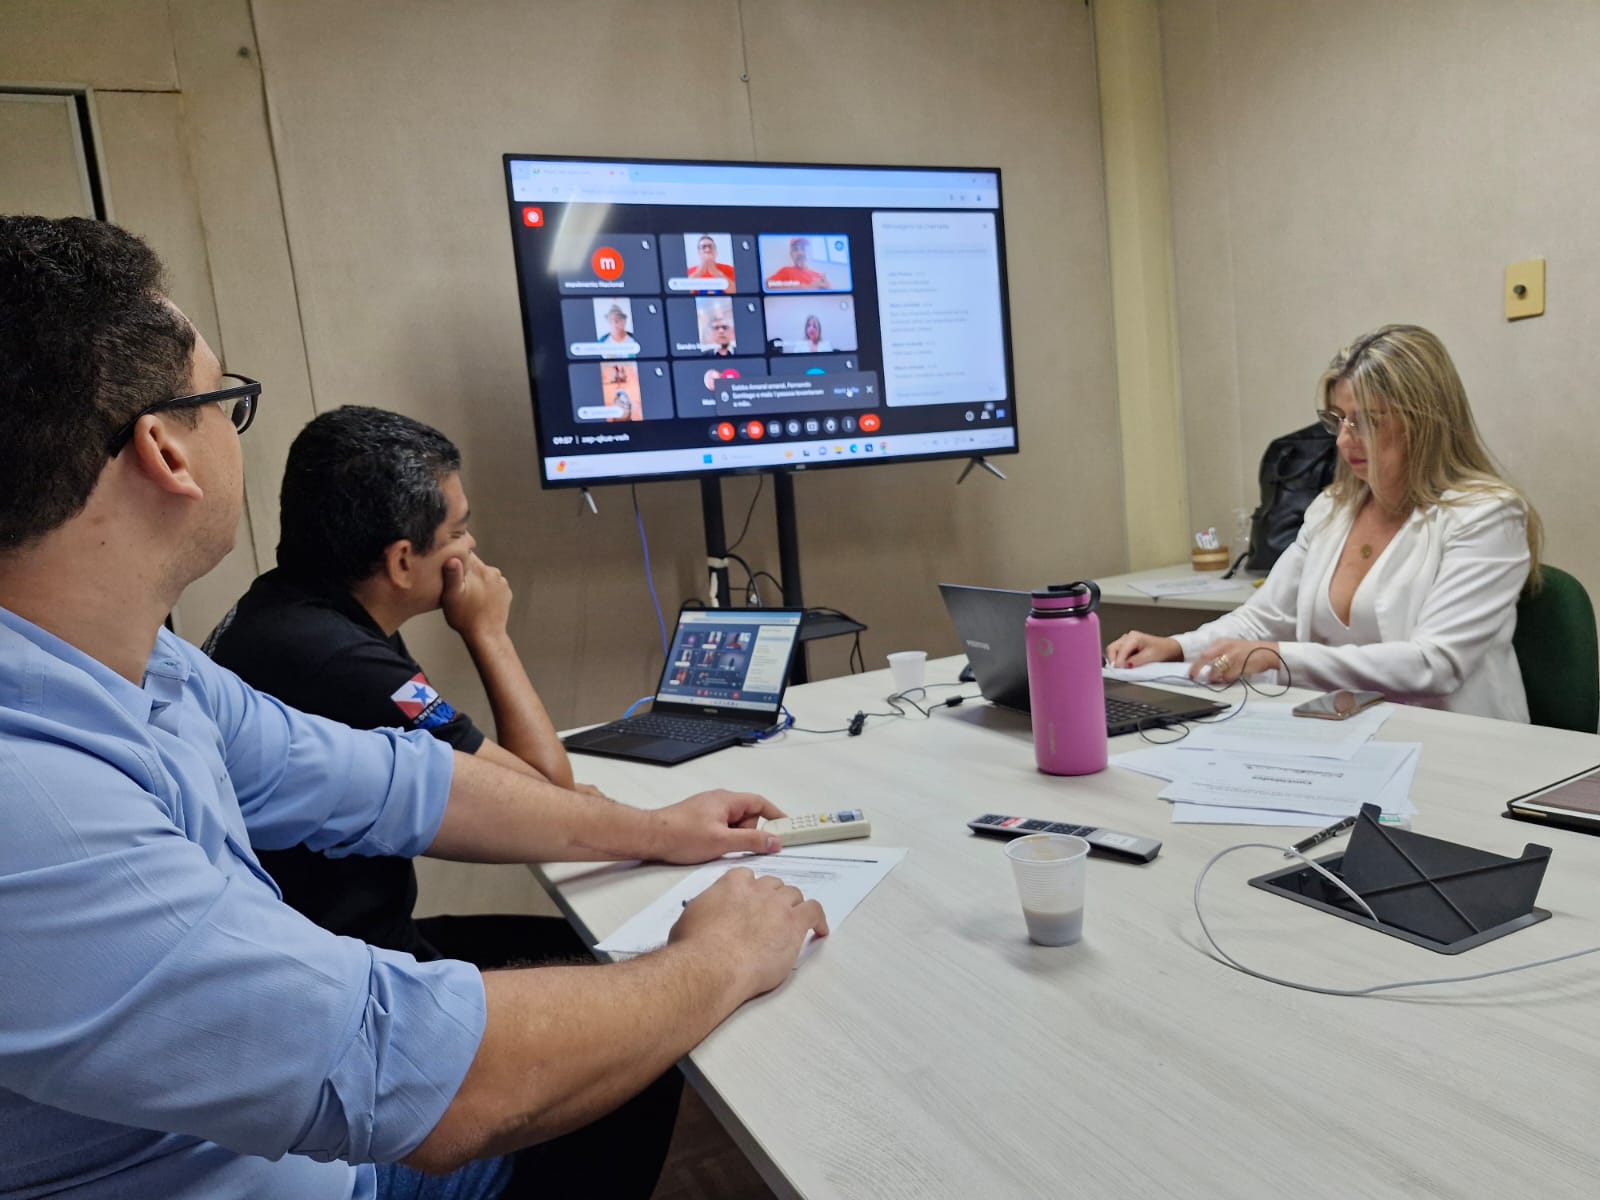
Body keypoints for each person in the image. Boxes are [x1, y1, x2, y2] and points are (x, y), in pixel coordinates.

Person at [0, 215, 827, 1199]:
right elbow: (428, 1082)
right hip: (331, 1155)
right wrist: (723, 956)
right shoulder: (34, 811)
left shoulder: (150, 670)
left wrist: (652, 830)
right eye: (223, 400)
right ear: (163, 453)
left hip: (304, 1093)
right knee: (630, 1056)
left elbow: (401, 784)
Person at [1106, 324, 1541, 722]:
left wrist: (1279, 657)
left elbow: (1436, 664)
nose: (1344, 439)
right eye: (1338, 419)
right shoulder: (1334, 507)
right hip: (1342, 730)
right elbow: (1262, 620)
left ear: (1423, 423)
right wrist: (1176, 647)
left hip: (1460, 743)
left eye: (1368, 421)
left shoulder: (1486, 515)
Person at [764, 237, 831, 290]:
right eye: (795, 249)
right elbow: (767, 285)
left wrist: (828, 288)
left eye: (803, 249)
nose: (800, 253)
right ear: (791, 255)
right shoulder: (786, 271)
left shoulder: (818, 275)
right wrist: (806, 288)